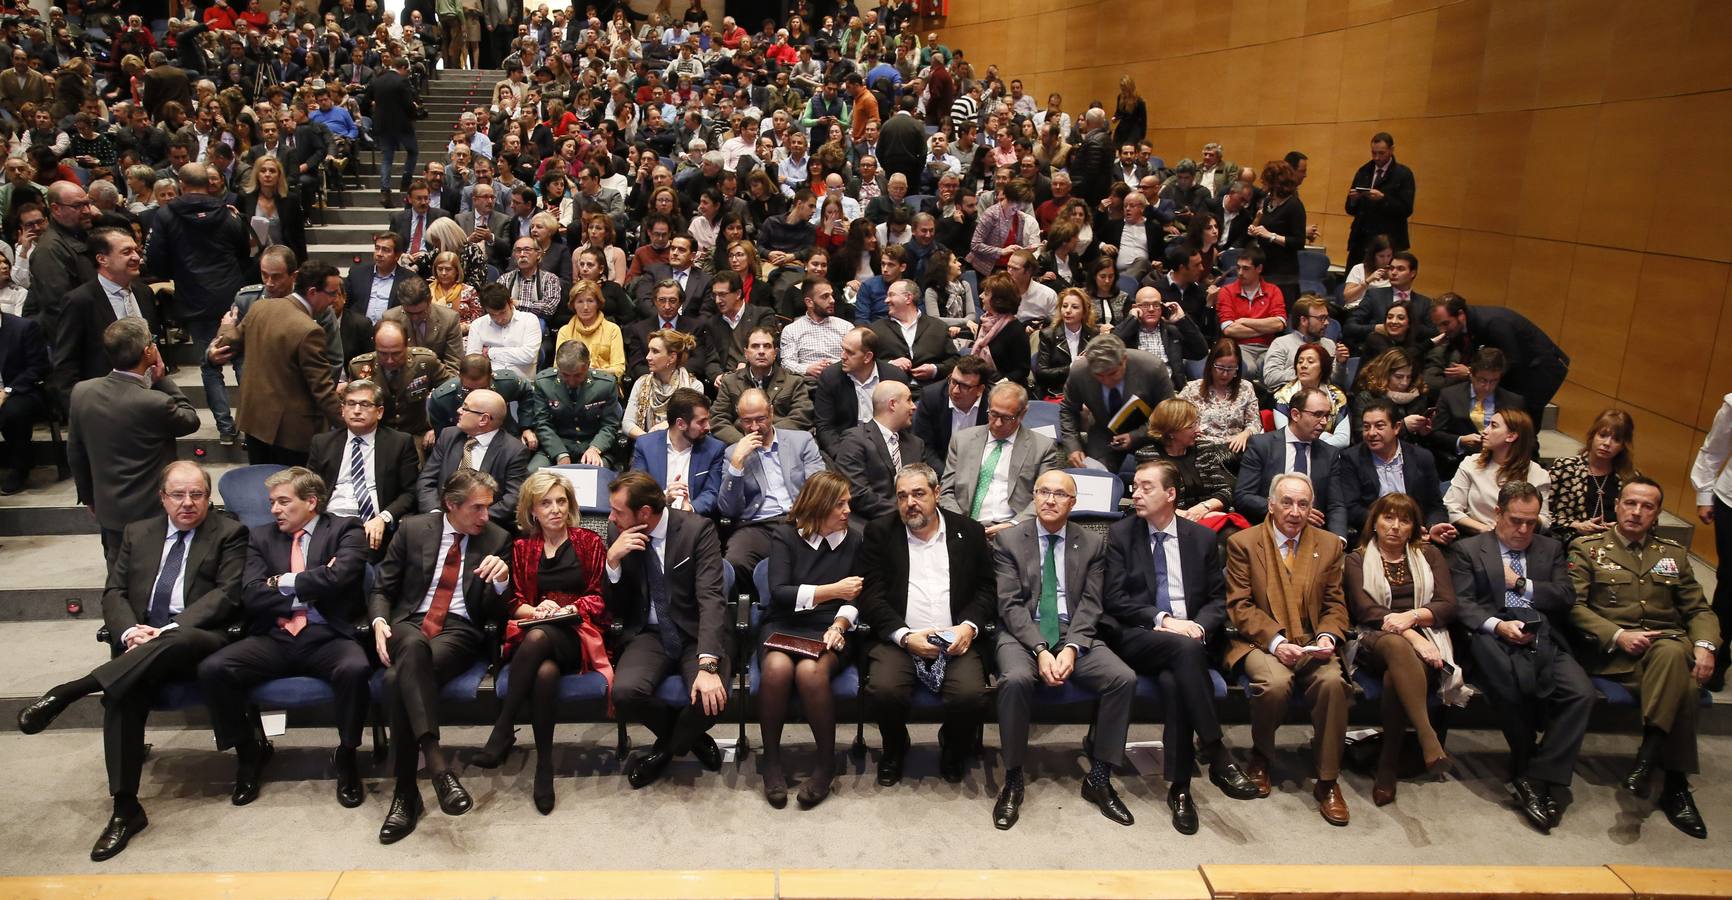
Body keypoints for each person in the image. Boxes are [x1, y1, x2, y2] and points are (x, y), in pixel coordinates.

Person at [14, 461, 244, 860]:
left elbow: (226, 595)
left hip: (197, 640)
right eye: (178, 494)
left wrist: (166, 629)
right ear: (162, 497)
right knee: (124, 694)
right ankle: (125, 808)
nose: (188, 503)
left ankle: (73, 689)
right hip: (138, 646)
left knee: (176, 639)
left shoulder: (230, 533)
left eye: (197, 494)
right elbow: (114, 592)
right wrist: (127, 632)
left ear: (209, 498)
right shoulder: (139, 533)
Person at [1103, 459, 1264, 832]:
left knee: (1178, 681)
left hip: (1189, 641)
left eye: (1146, 487)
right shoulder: (1122, 535)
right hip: (1139, 636)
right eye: (1135, 486)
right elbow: (1115, 600)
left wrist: (1197, 627)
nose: (1135, 493)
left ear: (1171, 494)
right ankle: (1215, 749)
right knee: (1185, 652)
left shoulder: (1202, 539)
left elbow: (1215, 600)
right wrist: (1166, 622)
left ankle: (1180, 790)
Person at [196, 467, 371, 810]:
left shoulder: (345, 529)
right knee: (214, 669)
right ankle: (250, 752)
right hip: (275, 635)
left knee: (354, 669)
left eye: (282, 502)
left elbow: (342, 577)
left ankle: (348, 754)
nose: (274, 509)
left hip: (326, 634)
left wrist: (279, 582)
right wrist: (311, 582)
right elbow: (251, 594)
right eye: (272, 502)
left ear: (311, 501)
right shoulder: (259, 537)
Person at [1568, 477, 1719, 839]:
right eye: (1631, 503)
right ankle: (1675, 783)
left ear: (1656, 514)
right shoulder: (1587, 548)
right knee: (1682, 681)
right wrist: (1618, 634)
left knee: (1670, 651)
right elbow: (1572, 606)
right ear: (1617, 505)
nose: (1637, 512)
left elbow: (1698, 609)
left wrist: (1705, 646)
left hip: (1664, 649)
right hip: (1616, 656)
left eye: (1647, 506)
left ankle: (1648, 759)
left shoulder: (1672, 553)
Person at [990, 469, 1141, 829]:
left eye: (1060, 494)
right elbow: (1009, 606)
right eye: (1043, 492)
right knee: (1014, 679)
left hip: (1075, 632)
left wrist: (1072, 647)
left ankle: (1100, 777)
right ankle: (1012, 776)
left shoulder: (1091, 542)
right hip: (1021, 634)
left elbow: (1091, 604)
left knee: (1122, 678)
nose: (1050, 500)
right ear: (1034, 496)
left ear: (1073, 503)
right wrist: (1041, 649)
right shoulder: (1009, 541)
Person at [371, 468, 514, 843]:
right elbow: (383, 586)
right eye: (477, 509)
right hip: (409, 623)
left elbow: (497, 613)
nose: (486, 517)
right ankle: (435, 767)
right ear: (451, 505)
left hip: (459, 630)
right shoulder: (413, 528)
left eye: (489, 508)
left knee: (394, 679)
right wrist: (379, 621)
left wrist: (501, 582)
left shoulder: (498, 538)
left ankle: (406, 794)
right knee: (412, 645)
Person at [1449, 480, 1593, 833]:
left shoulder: (1551, 548)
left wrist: (1522, 585)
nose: (1524, 529)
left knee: (1581, 694)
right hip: (1491, 636)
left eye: (1531, 522)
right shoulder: (1469, 549)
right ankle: (1536, 773)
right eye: (1516, 520)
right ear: (1497, 513)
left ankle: (1537, 774)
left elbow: (1563, 597)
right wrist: (1498, 626)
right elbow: (1463, 604)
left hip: (1542, 633)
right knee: (1509, 687)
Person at [471, 471, 609, 814]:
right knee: (544, 673)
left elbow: (599, 597)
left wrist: (566, 608)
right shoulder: (522, 548)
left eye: (561, 501)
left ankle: (503, 726)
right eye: (546, 503)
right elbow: (513, 601)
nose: (555, 509)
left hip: (577, 632)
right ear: (532, 510)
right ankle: (544, 767)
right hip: (534, 630)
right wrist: (538, 610)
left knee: (536, 638)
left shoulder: (589, 542)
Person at [1225, 472, 1353, 826]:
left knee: (1332, 684)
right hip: (1260, 641)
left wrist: (1328, 636)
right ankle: (1262, 756)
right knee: (1275, 684)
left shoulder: (1328, 545)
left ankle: (1327, 779)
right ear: (1271, 505)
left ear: (1312, 508)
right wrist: (1277, 642)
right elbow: (1240, 606)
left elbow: (1335, 605)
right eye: (1287, 502)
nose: (1295, 511)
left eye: (1303, 504)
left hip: (1313, 641)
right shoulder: (1244, 543)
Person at [856, 464, 995, 785]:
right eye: (902, 496)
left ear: (936, 493)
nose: (910, 503)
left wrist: (968, 627)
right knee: (884, 690)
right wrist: (904, 637)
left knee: (971, 696)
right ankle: (894, 746)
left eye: (918, 494)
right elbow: (872, 596)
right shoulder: (879, 532)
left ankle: (953, 745)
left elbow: (987, 589)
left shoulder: (969, 531)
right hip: (901, 637)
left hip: (955, 636)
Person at [602, 470, 731, 789]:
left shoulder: (697, 530)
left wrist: (708, 665)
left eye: (618, 510)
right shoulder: (615, 532)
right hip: (649, 633)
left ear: (644, 513)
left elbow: (711, 599)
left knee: (709, 697)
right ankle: (691, 739)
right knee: (625, 693)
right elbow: (615, 606)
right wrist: (613, 563)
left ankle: (664, 752)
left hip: (694, 632)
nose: (611, 516)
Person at [1342, 493, 1458, 807]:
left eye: (1404, 520)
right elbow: (1366, 610)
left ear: (1413, 527)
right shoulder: (1356, 559)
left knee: (1398, 676)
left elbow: (1448, 605)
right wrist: (1414, 635)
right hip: (1373, 640)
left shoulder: (1430, 556)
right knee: (1396, 644)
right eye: (1388, 518)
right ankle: (1426, 736)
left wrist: (1414, 617)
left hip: (1425, 640)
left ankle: (1387, 767)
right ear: (1374, 523)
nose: (1395, 526)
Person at [757, 471, 860, 809]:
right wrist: (833, 590)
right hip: (783, 623)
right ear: (819, 506)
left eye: (848, 502)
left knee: (810, 672)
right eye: (840, 504)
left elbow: (858, 597)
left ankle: (824, 764)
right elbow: (780, 594)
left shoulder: (855, 539)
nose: (848, 509)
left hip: (829, 627)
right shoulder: (785, 536)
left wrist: (841, 624)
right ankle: (771, 762)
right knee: (776, 668)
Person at [67, 319, 199, 565]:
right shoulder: (155, 402)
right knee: (154, 579)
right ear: (148, 352)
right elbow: (190, 420)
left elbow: (75, 453)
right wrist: (162, 379)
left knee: (118, 580)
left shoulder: (82, 392)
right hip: (152, 513)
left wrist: (89, 497)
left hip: (109, 509)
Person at [146, 166, 251, 443]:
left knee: (209, 364)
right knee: (242, 360)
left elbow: (156, 260)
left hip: (193, 295)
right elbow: (244, 251)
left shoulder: (166, 215)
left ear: (181, 184)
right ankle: (251, 426)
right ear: (211, 184)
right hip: (230, 293)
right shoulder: (227, 212)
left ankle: (226, 429)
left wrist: (179, 272)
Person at [217, 261, 345, 466]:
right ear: (312, 292)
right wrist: (347, 422)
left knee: (260, 485)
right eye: (331, 293)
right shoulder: (309, 330)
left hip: (254, 422)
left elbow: (226, 342)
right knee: (293, 492)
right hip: (292, 434)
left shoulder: (260, 307)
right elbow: (322, 389)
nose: (334, 300)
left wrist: (225, 327)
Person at [716, 387, 826, 574]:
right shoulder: (732, 452)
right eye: (747, 421)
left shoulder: (802, 441)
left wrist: (804, 516)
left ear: (772, 412)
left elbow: (819, 487)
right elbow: (728, 509)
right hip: (757, 525)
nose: (754, 427)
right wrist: (737, 464)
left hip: (799, 519)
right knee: (736, 562)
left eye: (760, 419)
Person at [306, 379, 421, 558]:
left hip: (374, 523)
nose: (357, 410)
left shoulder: (399, 443)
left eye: (365, 404)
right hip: (329, 522)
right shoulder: (322, 443)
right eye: (351, 404)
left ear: (380, 412)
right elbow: (310, 489)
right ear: (343, 409)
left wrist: (384, 518)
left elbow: (410, 492)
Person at [52, 227, 161, 410]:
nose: (136, 257)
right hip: (103, 405)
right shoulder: (80, 301)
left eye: (136, 250)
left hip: (149, 400)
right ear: (102, 259)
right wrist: (80, 410)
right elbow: (65, 363)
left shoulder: (144, 292)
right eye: (127, 252)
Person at [939, 382, 1060, 536]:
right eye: (993, 414)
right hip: (964, 528)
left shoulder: (1042, 447)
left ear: (1022, 414)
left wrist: (1013, 524)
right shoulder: (962, 440)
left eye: (1007, 417)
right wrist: (963, 524)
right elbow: (946, 491)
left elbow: (1046, 496)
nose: (997, 423)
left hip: (1016, 531)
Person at [1429, 293, 1569, 426]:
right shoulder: (1461, 327)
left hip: (1540, 369)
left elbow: (1512, 361)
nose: (1442, 330)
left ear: (1460, 315)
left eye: (1445, 324)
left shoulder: (1494, 323)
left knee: (1522, 420)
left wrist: (1471, 372)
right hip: (1517, 367)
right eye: (1438, 325)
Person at [1236, 386, 1350, 538]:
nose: (1324, 422)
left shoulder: (1329, 454)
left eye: (1327, 416)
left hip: (1312, 535)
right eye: (1317, 415)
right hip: (1268, 530)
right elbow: (1243, 496)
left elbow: (1336, 505)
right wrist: (1289, 511)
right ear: (1295, 415)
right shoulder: (1262, 446)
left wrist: (1338, 540)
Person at [1131, 398, 1243, 546]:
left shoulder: (1204, 448)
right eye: (1191, 426)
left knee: (1236, 537)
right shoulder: (1149, 456)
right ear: (1172, 432)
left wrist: (1204, 508)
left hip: (1208, 515)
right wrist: (1189, 516)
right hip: (1170, 520)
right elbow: (1152, 499)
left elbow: (1224, 491)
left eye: (1197, 423)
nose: (1199, 430)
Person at [1058, 333, 1175, 472]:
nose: (1107, 381)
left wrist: (1137, 436)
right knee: (1095, 478)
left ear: (1124, 360)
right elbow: (1068, 410)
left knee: (1154, 479)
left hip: (1149, 433)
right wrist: (1073, 446)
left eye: (1113, 374)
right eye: (1099, 376)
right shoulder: (1079, 372)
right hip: (1104, 433)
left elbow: (1169, 412)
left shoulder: (1152, 368)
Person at [1339, 399, 1452, 542]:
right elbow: (1351, 508)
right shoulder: (1351, 458)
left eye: (1379, 426)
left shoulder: (1422, 457)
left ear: (1397, 427)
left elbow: (1435, 505)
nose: (1371, 433)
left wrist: (1434, 525)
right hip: (1373, 536)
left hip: (1418, 536)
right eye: (1366, 427)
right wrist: (1391, 526)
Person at [417, 387, 530, 529]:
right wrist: (435, 513)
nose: (459, 411)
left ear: (484, 419)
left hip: (484, 527)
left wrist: (474, 517)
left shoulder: (514, 451)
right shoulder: (448, 436)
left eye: (465, 408)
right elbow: (427, 480)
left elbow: (513, 498)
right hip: (438, 521)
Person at [1445, 409, 1551, 536]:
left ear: (1511, 436)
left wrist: (1522, 518)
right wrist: (1484, 528)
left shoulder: (1538, 475)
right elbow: (1451, 508)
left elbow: (1545, 522)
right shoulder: (1471, 463)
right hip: (1475, 537)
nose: (1485, 431)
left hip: (1519, 537)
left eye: (1493, 426)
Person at [811, 325, 911, 455]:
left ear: (867, 357)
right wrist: (840, 455)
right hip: (845, 447)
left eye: (850, 352)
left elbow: (904, 422)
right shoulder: (830, 377)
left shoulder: (894, 377)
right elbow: (824, 426)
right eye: (843, 349)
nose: (843, 356)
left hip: (888, 446)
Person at [1426, 347, 1525, 478]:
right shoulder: (1450, 395)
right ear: (1471, 374)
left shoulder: (1514, 401)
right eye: (1482, 380)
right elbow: (1433, 433)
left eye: (1494, 381)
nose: (1487, 386)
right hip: (1457, 466)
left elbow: (1527, 439)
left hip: (1502, 468)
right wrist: (1460, 440)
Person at [346, 320, 449, 443]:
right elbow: (350, 407)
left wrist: (439, 428)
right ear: (375, 345)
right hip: (374, 435)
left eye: (396, 353)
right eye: (383, 353)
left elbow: (452, 395)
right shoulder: (359, 367)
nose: (390, 360)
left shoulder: (425, 362)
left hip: (414, 435)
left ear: (406, 344)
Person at [1690, 391, 1732, 688]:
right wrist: (1704, 494)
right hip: (1731, 501)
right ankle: (1718, 653)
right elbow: (1713, 450)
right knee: (1730, 581)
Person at [836, 380, 925, 521]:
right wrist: (903, 513)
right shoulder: (854, 440)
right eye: (909, 400)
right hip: (869, 522)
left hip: (914, 521)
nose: (914, 407)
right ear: (892, 404)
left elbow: (925, 487)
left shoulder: (916, 444)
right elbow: (857, 493)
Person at [630, 387, 726, 516]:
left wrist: (691, 508)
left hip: (693, 521)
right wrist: (663, 499)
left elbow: (712, 492)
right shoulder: (646, 445)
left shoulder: (715, 448)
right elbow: (637, 490)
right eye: (701, 422)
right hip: (656, 516)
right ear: (680, 424)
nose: (708, 427)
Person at [711, 326, 813, 445]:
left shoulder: (793, 381)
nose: (761, 351)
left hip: (782, 444)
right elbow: (718, 419)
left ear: (775, 353)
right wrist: (743, 442)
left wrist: (770, 437)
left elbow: (801, 417)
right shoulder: (730, 382)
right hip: (741, 443)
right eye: (755, 346)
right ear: (746, 353)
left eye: (767, 346)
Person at [527, 341, 622, 469]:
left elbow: (610, 425)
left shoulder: (605, 384)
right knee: (534, 475)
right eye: (565, 375)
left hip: (592, 445)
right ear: (558, 367)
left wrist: (595, 448)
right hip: (556, 445)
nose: (571, 381)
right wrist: (560, 453)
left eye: (578, 375)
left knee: (594, 478)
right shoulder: (544, 382)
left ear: (588, 365)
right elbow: (542, 423)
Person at [1547, 409, 1637, 545]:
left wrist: (1621, 529)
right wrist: (1577, 525)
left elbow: (1645, 523)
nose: (1607, 443)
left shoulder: (1630, 479)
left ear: (1623, 446)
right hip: (1570, 544)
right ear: (1592, 435)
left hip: (1615, 548)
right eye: (1602, 435)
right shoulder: (1566, 468)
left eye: (1616, 440)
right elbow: (1542, 514)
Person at [1111, 285, 1207, 388]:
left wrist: (1182, 320)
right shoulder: (1127, 332)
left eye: (1156, 304)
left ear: (1162, 308)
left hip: (1170, 390)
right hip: (1138, 391)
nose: (1151, 309)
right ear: (1135, 308)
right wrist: (1132, 319)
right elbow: (1110, 349)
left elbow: (1200, 352)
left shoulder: (1172, 333)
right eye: (1145, 305)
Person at [911, 355, 991, 476]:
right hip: (942, 470)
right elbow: (924, 447)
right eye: (953, 381)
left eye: (965, 386)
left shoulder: (993, 403)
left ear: (980, 389)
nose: (955, 390)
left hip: (981, 471)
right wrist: (948, 477)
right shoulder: (932, 397)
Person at [1179, 339, 1260, 457]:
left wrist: (1246, 433)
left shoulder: (1246, 388)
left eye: (1231, 369)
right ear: (1210, 365)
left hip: (1236, 449)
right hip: (1202, 450)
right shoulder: (1192, 389)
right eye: (1220, 368)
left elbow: (1254, 422)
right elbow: (1176, 420)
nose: (1225, 374)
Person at [1214, 245, 1285, 380]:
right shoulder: (1226, 291)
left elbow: (1279, 324)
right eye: (1238, 267)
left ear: (1259, 269)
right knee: (1249, 369)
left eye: (1246, 268)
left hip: (1267, 347)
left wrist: (1244, 321)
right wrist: (1266, 328)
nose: (1240, 272)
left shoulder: (1273, 291)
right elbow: (1229, 329)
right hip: (1239, 347)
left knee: (1273, 371)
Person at [1345, 132, 1415, 265]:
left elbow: (1406, 209)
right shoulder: (1364, 171)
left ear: (1391, 150)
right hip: (1361, 239)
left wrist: (1383, 199)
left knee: (1381, 282)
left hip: (1388, 241)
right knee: (1353, 280)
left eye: (1381, 153)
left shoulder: (1403, 174)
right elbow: (1349, 209)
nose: (1377, 157)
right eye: (1373, 153)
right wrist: (1354, 200)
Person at [623, 328, 705, 439]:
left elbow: (691, 424)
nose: (648, 357)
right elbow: (627, 423)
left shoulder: (694, 387)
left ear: (672, 357)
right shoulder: (641, 383)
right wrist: (648, 440)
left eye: (655, 351)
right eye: (649, 350)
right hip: (646, 446)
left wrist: (667, 425)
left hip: (682, 448)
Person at [626, 278, 711, 382]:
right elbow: (636, 366)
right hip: (651, 383)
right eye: (662, 300)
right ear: (654, 301)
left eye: (672, 301)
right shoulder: (639, 329)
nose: (667, 306)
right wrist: (661, 377)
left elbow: (698, 362)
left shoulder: (695, 327)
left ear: (680, 302)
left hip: (684, 383)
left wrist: (673, 377)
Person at [1344, 250, 1429, 354]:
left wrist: (1407, 328)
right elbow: (1350, 327)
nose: (1393, 273)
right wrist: (1375, 328)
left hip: (1411, 355)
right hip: (1378, 354)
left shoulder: (1424, 303)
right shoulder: (1375, 295)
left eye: (1400, 269)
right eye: (1391, 268)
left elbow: (1433, 333)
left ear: (1412, 273)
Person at [1270, 343, 1351, 448]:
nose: (1303, 365)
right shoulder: (1282, 397)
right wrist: (1324, 436)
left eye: (1310, 361)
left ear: (1323, 367)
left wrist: (1315, 444)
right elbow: (1288, 437)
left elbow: (1343, 440)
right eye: (1300, 362)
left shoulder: (1337, 397)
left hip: (1328, 456)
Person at [381, 274, 466, 372]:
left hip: (438, 377)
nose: (415, 318)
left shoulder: (449, 319)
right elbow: (386, 362)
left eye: (420, 312)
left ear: (430, 300)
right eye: (409, 313)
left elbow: (453, 363)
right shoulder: (390, 319)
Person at [1262, 295, 1343, 391]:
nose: (1326, 323)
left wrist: (1340, 364)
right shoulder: (1281, 343)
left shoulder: (1329, 344)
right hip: (1292, 399)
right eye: (1321, 318)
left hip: (1325, 398)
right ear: (1304, 320)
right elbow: (1270, 377)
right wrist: (1304, 373)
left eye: (1326, 318)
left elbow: (1336, 382)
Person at [367, 55, 419, 205]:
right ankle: (405, 182)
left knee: (387, 158)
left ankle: (385, 191)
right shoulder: (402, 81)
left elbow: (367, 98)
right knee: (413, 151)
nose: (407, 73)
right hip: (401, 124)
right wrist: (414, 114)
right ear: (402, 68)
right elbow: (408, 104)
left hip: (382, 124)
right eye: (407, 71)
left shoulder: (378, 79)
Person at [465, 282, 542, 381]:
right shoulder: (478, 324)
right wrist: (516, 353)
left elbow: (528, 356)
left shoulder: (529, 320)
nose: (499, 319)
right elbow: (473, 362)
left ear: (510, 303)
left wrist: (490, 352)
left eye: (502, 312)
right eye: (493, 314)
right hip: (489, 382)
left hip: (521, 382)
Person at [552, 280, 627, 382]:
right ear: (573, 305)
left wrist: (592, 373)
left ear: (598, 303)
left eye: (590, 301)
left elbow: (619, 369)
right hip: (572, 384)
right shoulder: (565, 331)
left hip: (603, 384)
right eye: (580, 301)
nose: (585, 307)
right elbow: (558, 367)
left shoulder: (613, 330)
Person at [969, 270, 1033, 388]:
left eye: (986, 294)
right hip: (983, 382)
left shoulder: (1015, 330)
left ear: (998, 300)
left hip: (1007, 388)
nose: (980, 296)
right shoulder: (984, 322)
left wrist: (1001, 383)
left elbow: (1022, 370)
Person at [780, 277, 854, 379]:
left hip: (841, 379)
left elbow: (855, 357)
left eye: (831, 295)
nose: (832, 300)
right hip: (806, 383)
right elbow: (786, 363)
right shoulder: (791, 330)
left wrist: (834, 367)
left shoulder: (846, 327)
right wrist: (807, 369)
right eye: (825, 296)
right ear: (809, 302)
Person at [1035, 287, 1097, 397]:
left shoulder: (1093, 334)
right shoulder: (1048, 335)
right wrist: (1071, 368)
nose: (1068, 311)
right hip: (1058, 392)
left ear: (1084, 311)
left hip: (1087, 391)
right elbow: (1041, 374)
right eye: (1064, 306)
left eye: (1075, 307)